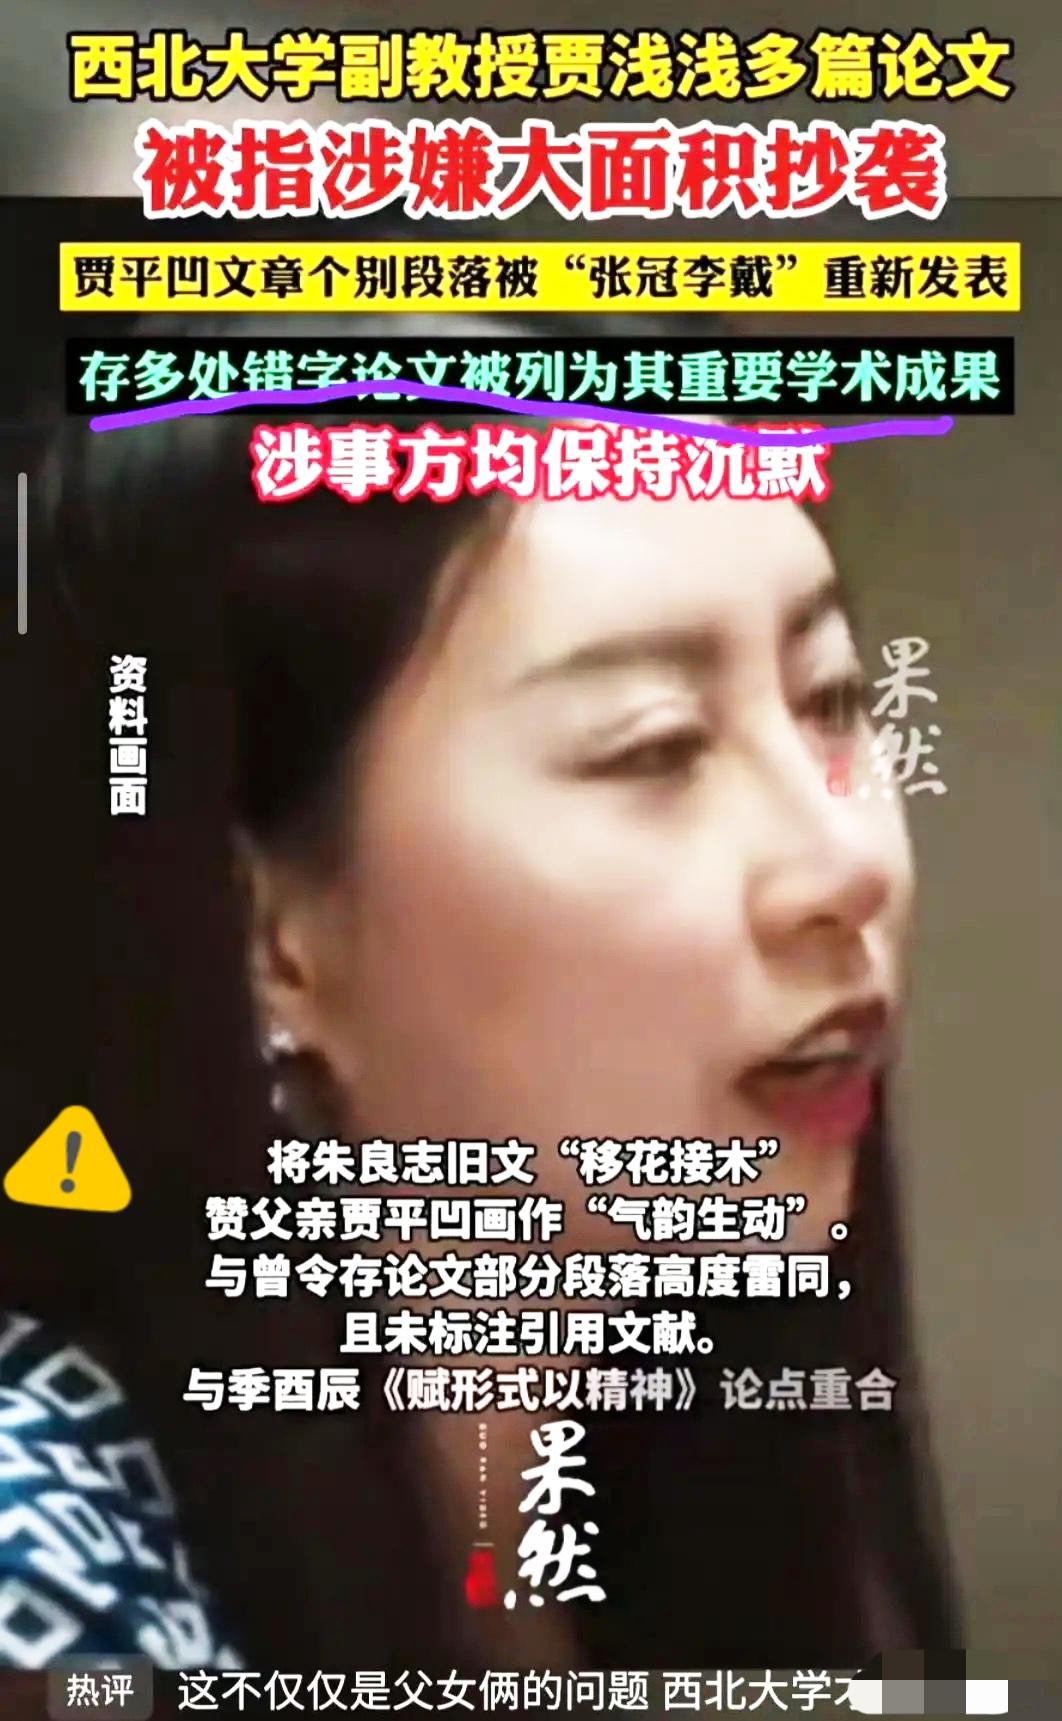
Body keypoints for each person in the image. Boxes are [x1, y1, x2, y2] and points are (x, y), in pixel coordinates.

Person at [17, 397, 961, 1681]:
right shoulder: (48, 1573)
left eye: (833, 698)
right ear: (265, 938)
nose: (846, 861)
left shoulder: (683, 1501)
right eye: (655, 746)